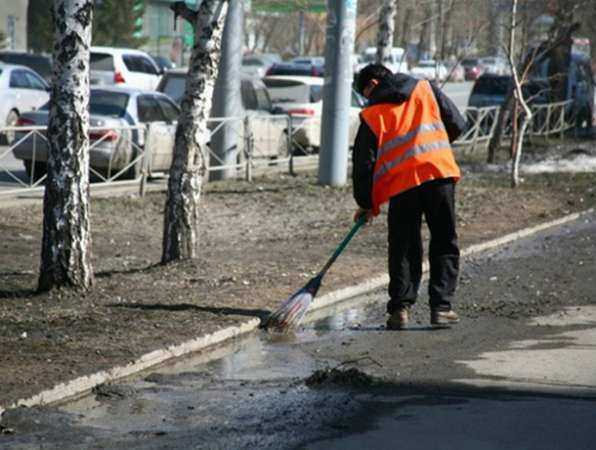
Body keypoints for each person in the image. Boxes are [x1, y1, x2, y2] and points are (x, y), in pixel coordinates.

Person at [352, 64, 466, 330]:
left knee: (403, 245)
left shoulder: (372, 114)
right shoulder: (425, 88)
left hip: (401, 185)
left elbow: (363, 166)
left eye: (365, 92)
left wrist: (367, 204)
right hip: (438, 173)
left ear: (372, 85)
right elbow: (458, 125)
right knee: (444, 239)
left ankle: (400, 310)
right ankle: (441, 308)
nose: (366, 98)